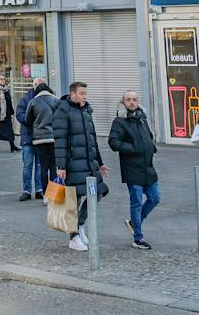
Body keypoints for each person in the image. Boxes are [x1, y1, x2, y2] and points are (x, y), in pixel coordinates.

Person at [52, 81, 108, 253]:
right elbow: (59, 140)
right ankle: (73, 236)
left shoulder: (86, 111)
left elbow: (92, 140)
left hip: (89, 163)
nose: (85, 96)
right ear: (73, 94)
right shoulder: (63, 111)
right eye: (82, 93)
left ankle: (80, 225)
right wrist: (61, 166)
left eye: (85, 93)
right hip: (71, 163)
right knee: (72, 201)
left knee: (99, 192)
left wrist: (100, 162)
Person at [108, 89, 160, 250]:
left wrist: (152, 147)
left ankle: (134, 222)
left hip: (148, 167)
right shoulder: (119, 121)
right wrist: (132, 148)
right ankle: (138, 237)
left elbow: (149, 136)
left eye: (135, 99)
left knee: (155, 198)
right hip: (132, 168)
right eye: (129, 99)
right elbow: (113, 142)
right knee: (136, 202)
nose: (132, 102)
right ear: (123, 102)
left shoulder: (142, 118)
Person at [17, 79, 55, 201]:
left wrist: (35, 122)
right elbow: (20, 114)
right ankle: (27, 190)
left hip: (39, 137)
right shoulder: (27, 99)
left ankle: (40, 190)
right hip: (29, 137)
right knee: (28, 165)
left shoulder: (37, 99)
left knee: (40, 165)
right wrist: (35, 122)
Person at [0, 79, 16, 152]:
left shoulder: (6, 89)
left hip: (6, 113)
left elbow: (9, 101)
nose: (3, 81)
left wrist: (12, 111)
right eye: (1, 79)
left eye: (4, 79)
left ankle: (12, 146)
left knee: (9, 130)